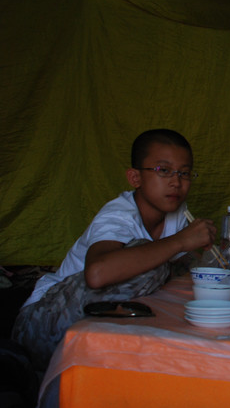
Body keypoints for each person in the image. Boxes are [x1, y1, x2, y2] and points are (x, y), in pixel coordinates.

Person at [12, 129, 216, 370]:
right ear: (135, 178)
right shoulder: (119, 214)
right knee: (150, 258)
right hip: (42, 323)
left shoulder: (180, 214)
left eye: (184, 173)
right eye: (163, 170)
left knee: (184, 268)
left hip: (99, 320)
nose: (176, 181)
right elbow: (97, 274)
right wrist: (181, 241)